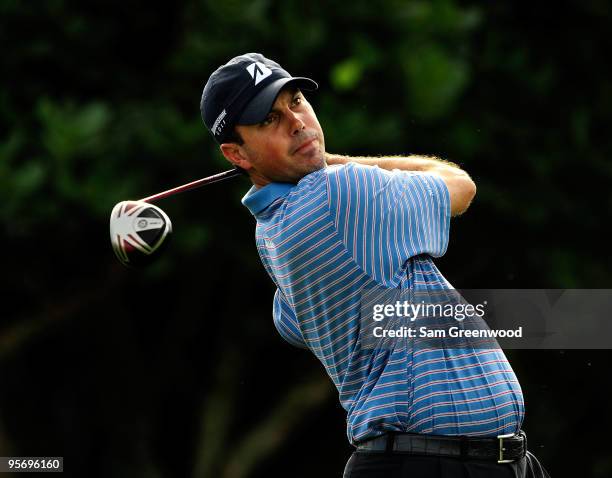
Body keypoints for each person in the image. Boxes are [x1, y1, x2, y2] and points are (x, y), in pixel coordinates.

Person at [200, 53, 550, 478]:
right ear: (236, 154)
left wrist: (312, 159)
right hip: (427, 464)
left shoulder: (268, 238)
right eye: (269, 120)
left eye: (295, 102)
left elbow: (288, 323)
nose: (296, 123)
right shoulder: (338, 193)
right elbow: (459, 186)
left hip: (474, 461)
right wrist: (333, 159)